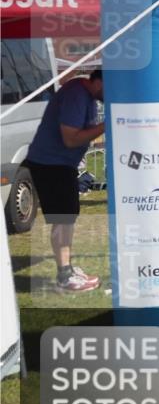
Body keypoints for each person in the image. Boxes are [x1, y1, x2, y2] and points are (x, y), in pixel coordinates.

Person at [23, 69, 104, 292]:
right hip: (51, 164)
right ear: (98, 82)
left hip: (58, 164)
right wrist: (106, 125)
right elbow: (70, 139)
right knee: (63, 218)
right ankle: (64, 275)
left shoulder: (83, 94)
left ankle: (67, 268)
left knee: (67, 217)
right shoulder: (76, 94)